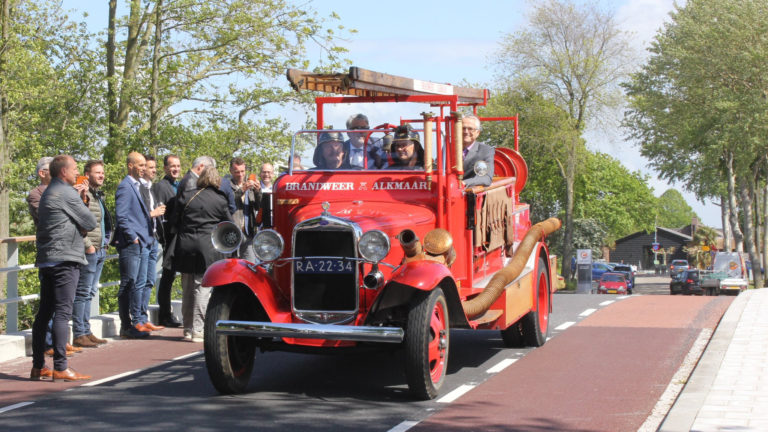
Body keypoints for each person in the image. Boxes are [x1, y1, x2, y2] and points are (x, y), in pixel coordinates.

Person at [31, 154, 97, 381]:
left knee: (45, 313)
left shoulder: (50, 192)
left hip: (47, 259)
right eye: (75, 169)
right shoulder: (67, 193)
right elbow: (90, 222)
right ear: (63, 172)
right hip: (65, 260)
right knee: (62, 313)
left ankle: (38, 366)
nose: (78, 173)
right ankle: (60, 366)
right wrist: (80, 200)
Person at [27, 157, 81, 357]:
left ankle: (51, 352)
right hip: (55, 256)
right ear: (43, 173)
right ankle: (55, 357)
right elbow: (53, 219)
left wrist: (78, 199)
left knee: (58, 307)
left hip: (61, 254)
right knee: (55, 310)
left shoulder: (67, 193)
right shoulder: (37, 195)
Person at [173, 166, 232, 342]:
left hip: (184, 244)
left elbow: (175, 221)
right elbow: (228, 223)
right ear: (217, 180)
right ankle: (198, 329)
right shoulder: (220, 199)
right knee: (202, 287)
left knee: (187, 287)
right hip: (207, 246)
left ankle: (188, 328)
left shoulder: (186, 195)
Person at [71, 160, 113, 348]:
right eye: (97, 173)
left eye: (103, 172)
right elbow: (78, 223)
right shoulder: (83, 194)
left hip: (100, 249)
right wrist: (88, 245)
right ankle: (79, 333)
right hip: (89, 250)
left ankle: (86, 331)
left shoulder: (96, 195)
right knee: (83, 292)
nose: (101, 175)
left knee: (90, 292)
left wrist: (106, 242)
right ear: (86, 175)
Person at [113, 152, 154, 339]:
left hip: (141, 241)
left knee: (137, 282)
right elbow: (121, 216)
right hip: (131, 243)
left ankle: (136, 321)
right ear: (130, 165)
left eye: (145, 165)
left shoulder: (136, 186)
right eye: (140, 165)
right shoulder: (125, 187)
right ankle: (126, 325)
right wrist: (133, 237)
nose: (144, 168)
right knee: (128, 283)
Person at [152, 154, 182, 327]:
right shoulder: (161, 187)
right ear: (165, 168)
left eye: (178, 166)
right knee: (167, 277)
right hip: (169, 239)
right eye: (172, 166)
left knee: (172, 277)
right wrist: (164, 239)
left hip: (179, 238)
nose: (176, 169)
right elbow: (160, 215)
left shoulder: (179, 185)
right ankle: (164, 314)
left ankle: (169, 314)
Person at [138, 155, 167, 332]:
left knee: (150, 280)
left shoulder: (152, 189)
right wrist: (153, 213)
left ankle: (143, 317)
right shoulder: (138, 188)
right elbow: (132, 216)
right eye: (150, 167)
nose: (154, 170)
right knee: (139, 281)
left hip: (153, 238)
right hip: (143, 239)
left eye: (155, 167)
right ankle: (137, 319)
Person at [227, 157, 261, 262]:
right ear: (231, 171)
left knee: (250, 266)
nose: (241, 175)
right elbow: (228, 203)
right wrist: (242, 190)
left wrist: (258, 191)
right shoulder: (227, 185)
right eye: (237, 172)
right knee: (232, 267)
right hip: (232, 233)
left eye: (242, 171)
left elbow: (258, 206)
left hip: (248, 233)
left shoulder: (250, 185)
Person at [461, 114, 494, 187]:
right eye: (463, 128)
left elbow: (486, 178)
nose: (466, 131)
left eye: (470, 129)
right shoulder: (448, 149)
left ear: (478, 133)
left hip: (470, 194)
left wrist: (464, 183)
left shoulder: (485, 151)